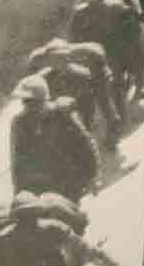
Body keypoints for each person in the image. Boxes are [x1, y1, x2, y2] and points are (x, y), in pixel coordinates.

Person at [0, 191, 127, 266]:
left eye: (31, 217)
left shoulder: (1, 241)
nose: (29, 223)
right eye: (25, 218)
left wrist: (114, 265)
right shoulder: (51, 229)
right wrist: (115, 265)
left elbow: (85, 249)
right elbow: (86, 250)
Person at [10, 75, 100, 204]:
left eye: (33, 102)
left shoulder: (62, 115)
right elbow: (17, 160)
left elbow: (86, 144)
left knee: (68, 212)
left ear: (43, 100)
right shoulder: (19, 122)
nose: (29, 106)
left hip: (66, 183)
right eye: (26, 102)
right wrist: (18, 192)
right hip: (37, 185)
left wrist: (94, 177)